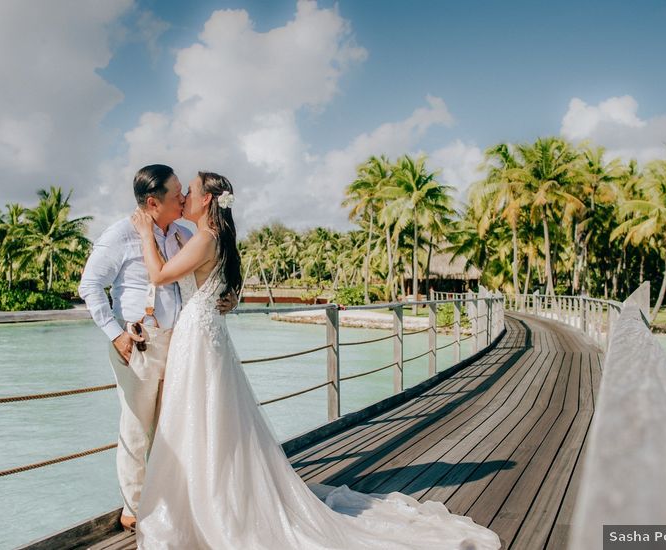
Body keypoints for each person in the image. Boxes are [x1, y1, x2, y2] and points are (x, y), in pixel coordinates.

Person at [132, 171, 501, 549]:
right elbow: (218, 286)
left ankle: (206, 505)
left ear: (208, 200)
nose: (184, 198)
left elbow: (160, 275)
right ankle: (209, 497)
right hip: (205, 334)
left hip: (198, 336)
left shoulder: (205, 238)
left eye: (189, 192)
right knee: (212, 418)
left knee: (199, 416)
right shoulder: (212, 238)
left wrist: (146, 233)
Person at [78, 164, 237, 532]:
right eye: (176, 193)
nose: (183, 198)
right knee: (136, 428)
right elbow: (90, 286)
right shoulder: (119, 235)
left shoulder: (185, 232)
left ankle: (173, 501)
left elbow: (211, 274)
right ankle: (135, 508)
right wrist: (114, 332)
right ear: (153, 201)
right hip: (140, 343)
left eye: (186, 192)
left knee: (175, 428)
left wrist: (227, 298)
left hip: (184, 344)